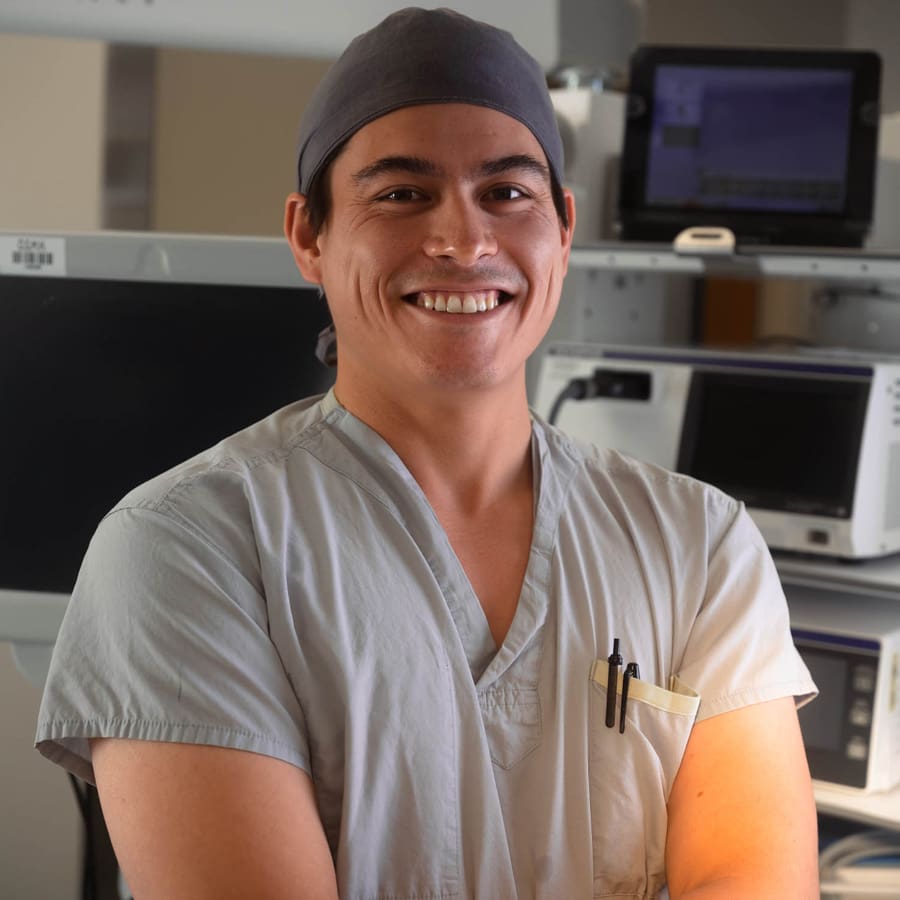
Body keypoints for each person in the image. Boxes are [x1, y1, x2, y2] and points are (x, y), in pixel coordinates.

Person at [36, 8, 819, 899]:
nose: (464, 240)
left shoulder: (700, 544)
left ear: (563, 226)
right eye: (402, 194)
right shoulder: (185, 549)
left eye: (507, 193)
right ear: (308, 236)